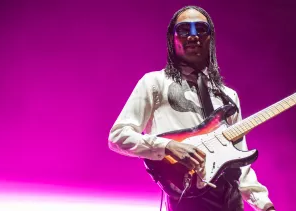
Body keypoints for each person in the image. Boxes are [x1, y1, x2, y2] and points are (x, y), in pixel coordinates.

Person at [108, 5, 276, 211]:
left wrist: (263, 204)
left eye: (201, 29)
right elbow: (118, 136)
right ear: (172, 39)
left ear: (210, 39)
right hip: (187, 197)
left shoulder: (228, 96)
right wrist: (167, 147)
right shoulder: (154, 83)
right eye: (184, 29)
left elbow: (239, 159)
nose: (193, 36)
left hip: (231, 200)